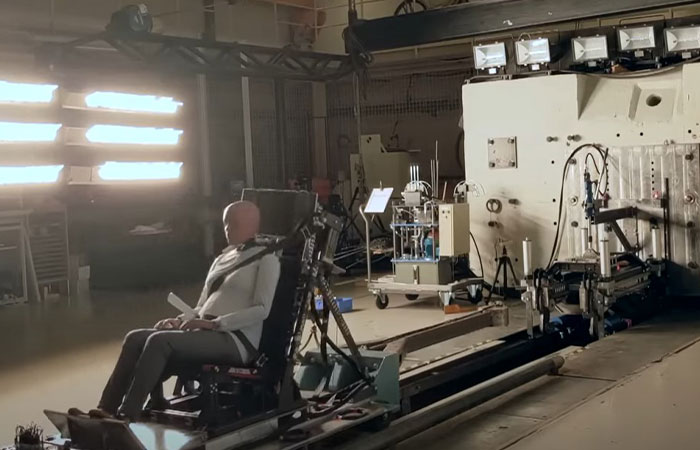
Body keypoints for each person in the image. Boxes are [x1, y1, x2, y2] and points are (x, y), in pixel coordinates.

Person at [72, 201, 281, 421]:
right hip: (206, 332)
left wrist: (215, 324)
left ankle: (127, 414)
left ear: (252, 225)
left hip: (235, 339)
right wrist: (179, 320)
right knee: (135, 337)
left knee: (159, 341)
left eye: (234, 223)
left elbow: (262, 309)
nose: (228, 228)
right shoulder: (222, 259)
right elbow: (202, 306)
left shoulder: (267, 260)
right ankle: (106, 408)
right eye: (226, 223)